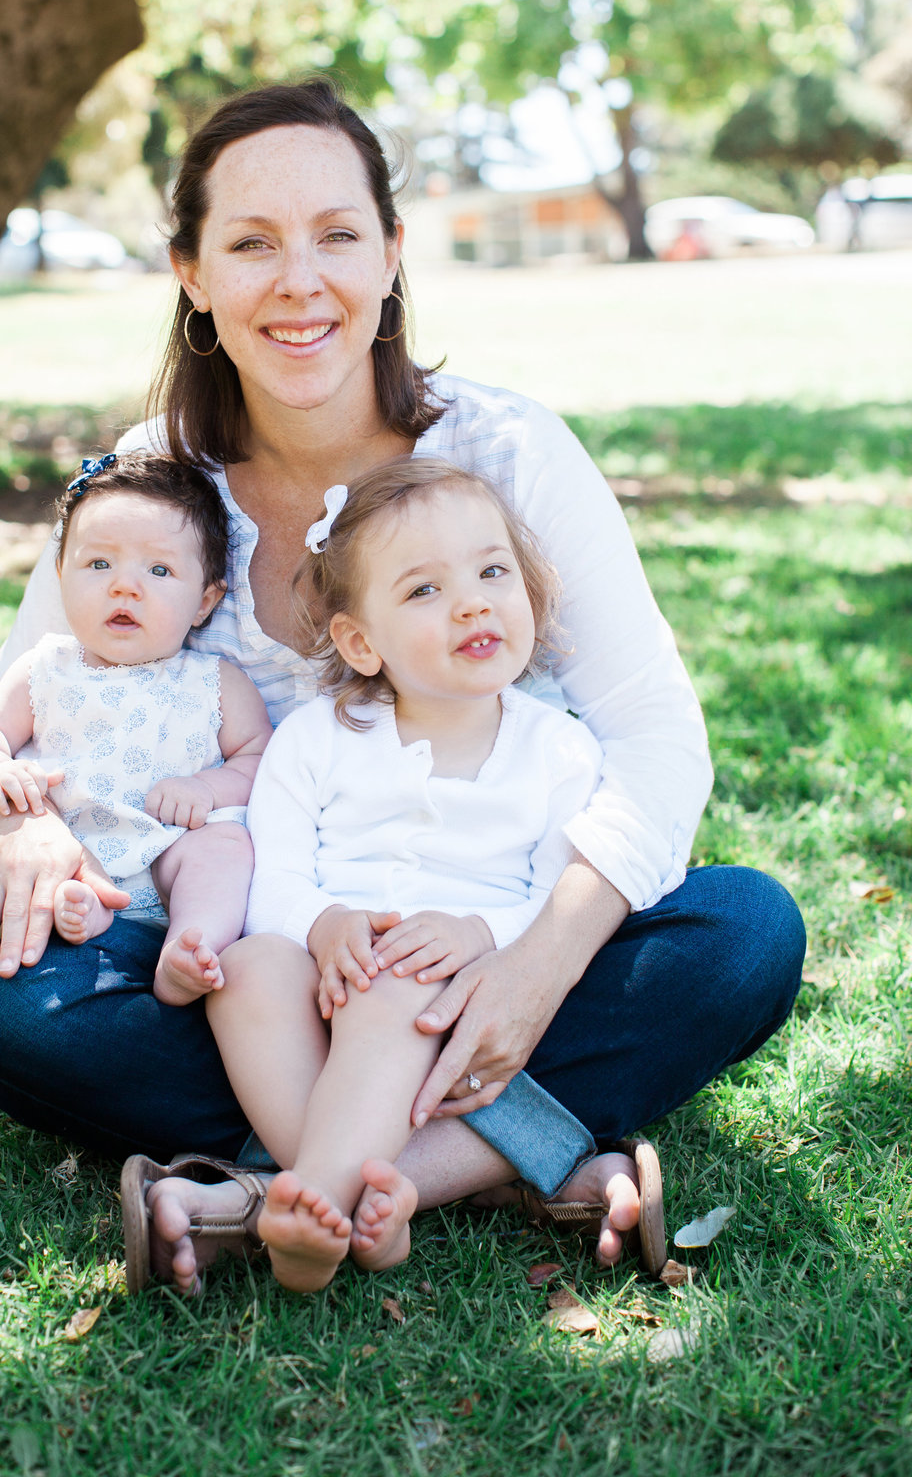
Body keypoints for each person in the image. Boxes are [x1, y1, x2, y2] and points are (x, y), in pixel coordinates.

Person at [0, 78, 805, 1298]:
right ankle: (514, 1158)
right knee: (16, 1016)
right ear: (191, 273)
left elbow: (657, 742)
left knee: (744, 936)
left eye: (339, 236)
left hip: (484, 943)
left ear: (393, 255)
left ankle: (267, 1191)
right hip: (253, 976)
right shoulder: (146, 487)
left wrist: (532, 967)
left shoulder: (506, 454)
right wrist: (4, 827)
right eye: (251, 244)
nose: (301, 282)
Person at [198, 457, 665, 1292]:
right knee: (243, 970)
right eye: (424, 591)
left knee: (396, 982)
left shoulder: (557, 750)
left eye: (493, 572)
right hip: (320, 981)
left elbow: (556, 900)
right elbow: (273, 878)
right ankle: (370, 1193)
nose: (474, 601)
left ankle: (305, 1204)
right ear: (359, 642)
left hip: (460, 1000)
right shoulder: (314, 739)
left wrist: (478, 935)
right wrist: (322, 924)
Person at [0, 452, 272, 1005]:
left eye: (159, 570)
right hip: (67, 851)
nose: (125, 587)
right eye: (99, 565)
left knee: (224, 847)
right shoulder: (45, 668)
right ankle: (69, 911)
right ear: (61, 575)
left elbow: (260, 756)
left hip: (171, 857)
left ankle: (190, 944)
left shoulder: (215, 682)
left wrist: (207, 790)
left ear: (206, 600)